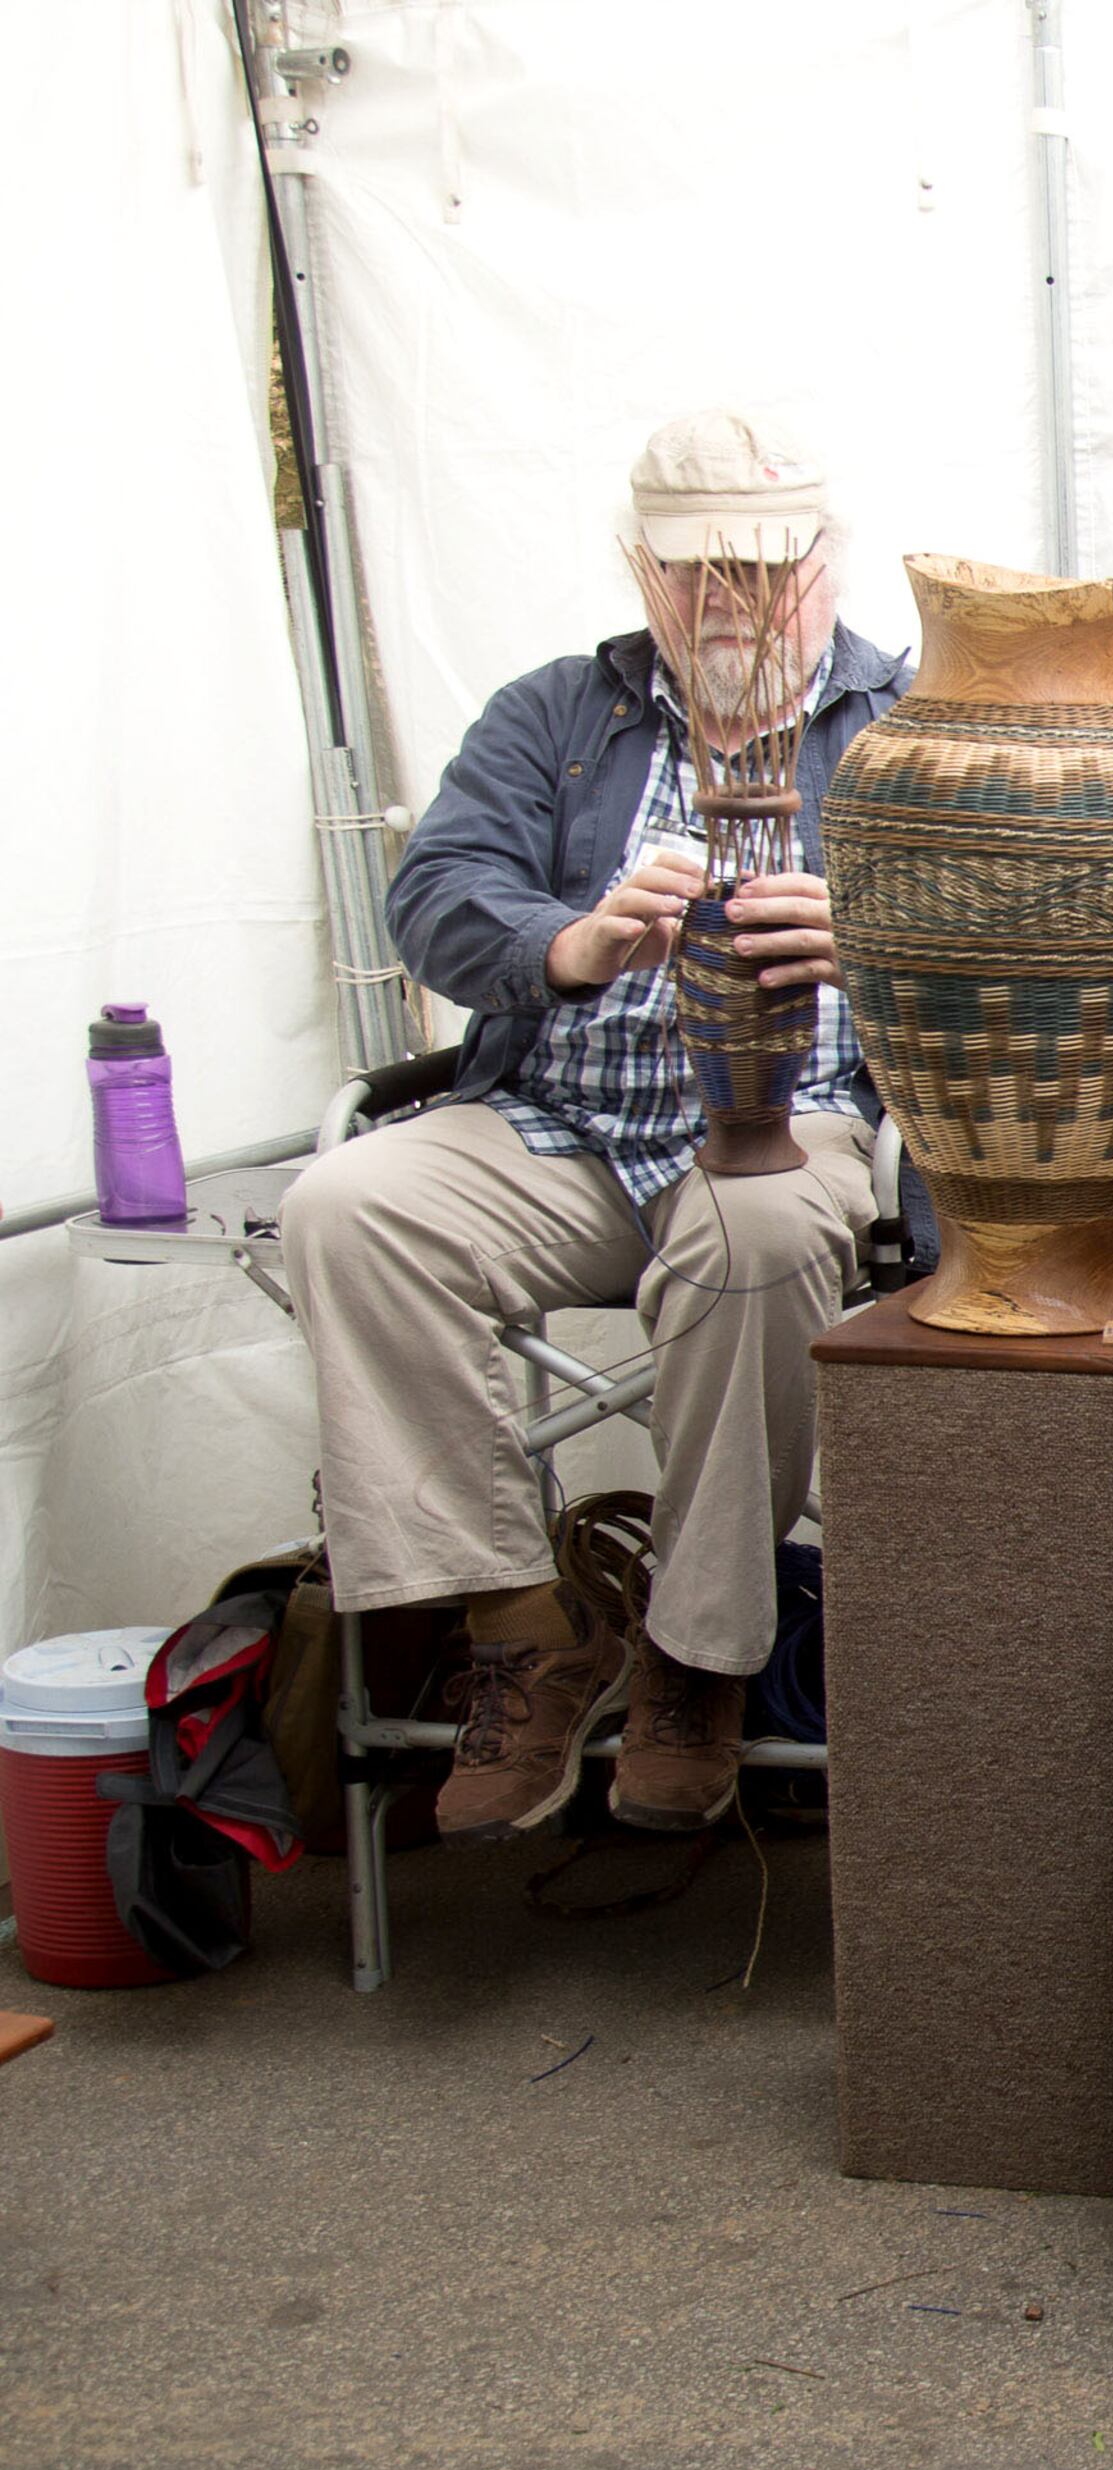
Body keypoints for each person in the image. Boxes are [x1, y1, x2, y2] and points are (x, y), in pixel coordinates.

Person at [286, 412, 905, 1843]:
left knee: (753, 1232)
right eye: (695, 574)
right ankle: (524, 1618)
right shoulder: (555, 715)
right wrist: (568, 944)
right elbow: (438, 893)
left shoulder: (907, 728)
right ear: (638, 567)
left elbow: (1023, 940)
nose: (731, 602)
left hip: (785, 1128)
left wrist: (870, 936)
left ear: (829, 559)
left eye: (764, 570)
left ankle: (697, 1657)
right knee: (347, 1207)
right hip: (554, 1128)